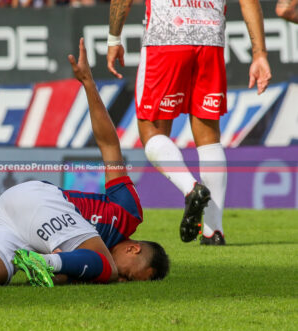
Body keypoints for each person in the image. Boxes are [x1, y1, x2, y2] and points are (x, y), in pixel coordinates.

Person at [0, 39, 169, 290]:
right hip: (40, 201)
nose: (122, 279)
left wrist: (58, 268)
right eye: (129, 275)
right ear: (134, 249)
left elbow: (63, 275)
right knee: (105, 268)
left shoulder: (84, 261)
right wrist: (88, 83)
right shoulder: (127, 213)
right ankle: (44, 261)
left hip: (1, 214)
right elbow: (110, 146)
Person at [106, 0, 272, 245]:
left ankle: (190, 188)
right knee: (209, 138)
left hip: (165, 38)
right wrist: (259, 54)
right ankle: (213, 231)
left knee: (151, 131)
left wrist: (113, 39)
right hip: (210, 41)